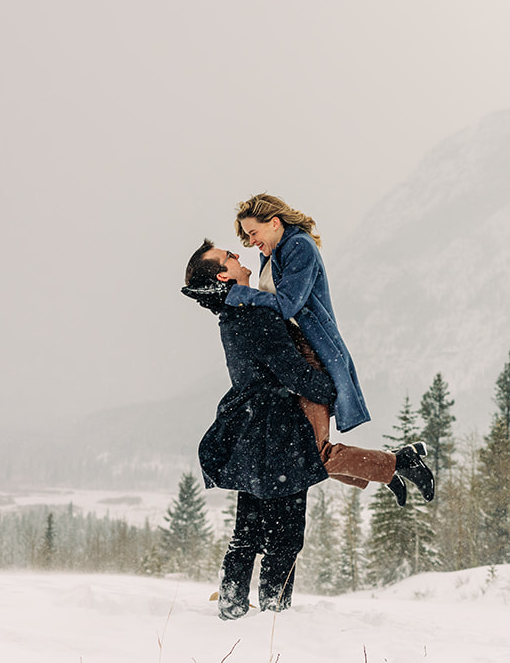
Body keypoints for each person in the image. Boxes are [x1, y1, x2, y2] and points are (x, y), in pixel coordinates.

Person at [182, 242, 430, 619]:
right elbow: (292, 372)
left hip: (251, 430)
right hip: (278, 429)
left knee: (247, 529)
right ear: (222, 276)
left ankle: (233, 605)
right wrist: (333, 390)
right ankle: (274, 613)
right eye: (228, 256)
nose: (237, 254)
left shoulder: (231, 313)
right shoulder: (255, 315)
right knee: (285, 532)